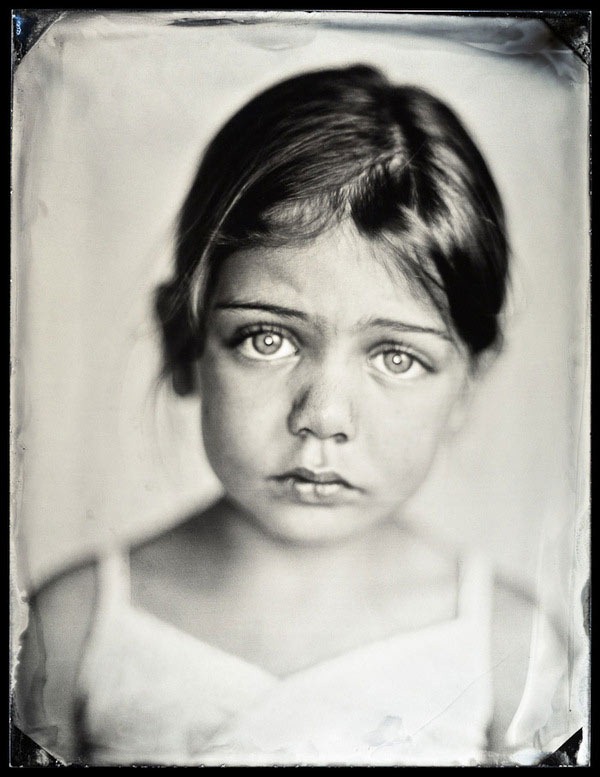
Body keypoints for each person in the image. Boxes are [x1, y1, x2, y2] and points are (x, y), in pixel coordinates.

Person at [13, 63, 572, 766]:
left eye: (396, 357)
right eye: (267, 339)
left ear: (467, 382)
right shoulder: (76, 627)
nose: (324, 416)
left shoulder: (509, 646)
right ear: (184, 342)